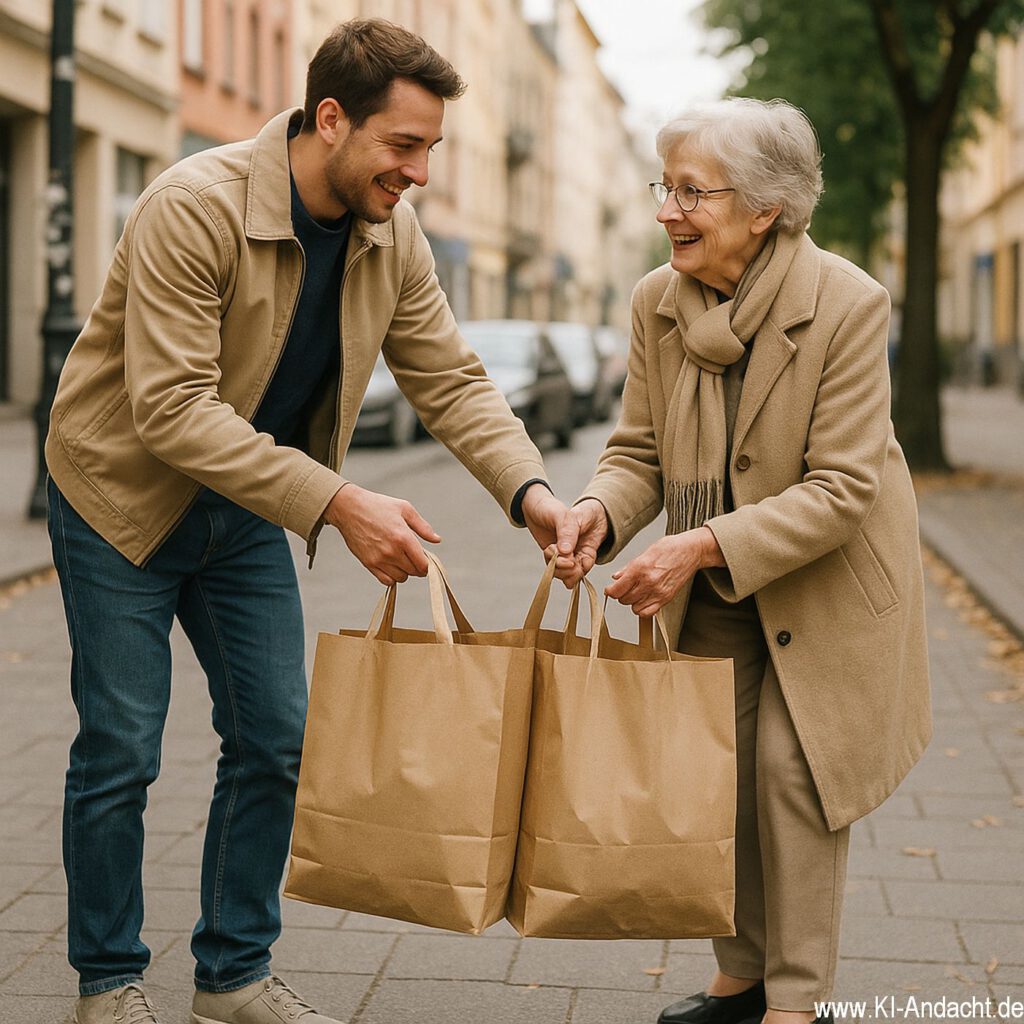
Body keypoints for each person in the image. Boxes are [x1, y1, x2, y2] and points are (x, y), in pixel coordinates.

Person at [45, 19, 572, 1024]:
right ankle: (106, 982)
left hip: (244, 504)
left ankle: (232, 976)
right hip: (120, 498)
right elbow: (170, 410)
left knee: (277, 737)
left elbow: (450, 377)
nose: (419, 172)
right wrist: (336, 498)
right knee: (121, 745)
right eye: (402, 145)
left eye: (430, 149)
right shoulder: (192, 208)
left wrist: (530, 494)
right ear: (330, 120)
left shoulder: (391, 232)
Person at [552, 98, 931, 1024]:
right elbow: (638, 447)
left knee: (791, 778)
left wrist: (703, 542)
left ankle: (795, 1002)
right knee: (718, 777)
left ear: (765, 210)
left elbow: (844, 487)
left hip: (828, 583)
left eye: (692, 192)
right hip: (713, 583)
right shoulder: (657, 301)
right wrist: (600, 509)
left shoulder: (845, 302)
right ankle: (741, 972)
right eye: (665, 186)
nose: (667, 211)